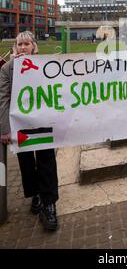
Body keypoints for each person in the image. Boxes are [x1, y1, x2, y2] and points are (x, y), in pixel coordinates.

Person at [0, 31, 59, 231]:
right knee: (26, 161)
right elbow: (3, 98)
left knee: (46, 159)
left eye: (26, 44)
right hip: (20, 124)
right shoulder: (8, 69)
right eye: (19, 44)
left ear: (34, 46)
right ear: (15, 47)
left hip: (42, 121)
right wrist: (5, 129)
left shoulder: (44, 65)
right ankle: (35, 195)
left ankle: (49, 203)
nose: (23, 47)